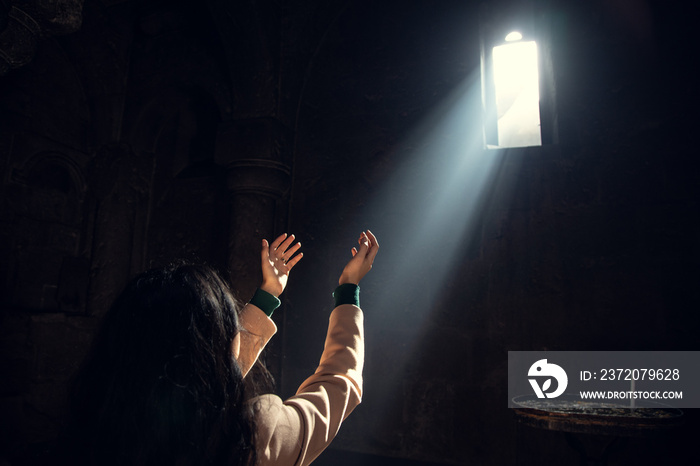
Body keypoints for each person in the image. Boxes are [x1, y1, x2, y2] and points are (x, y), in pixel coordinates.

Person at [66, 230, 379, 466]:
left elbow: (202, 372)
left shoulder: (95, 424)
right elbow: (339, 385)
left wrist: (269, 294)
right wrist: (348, 290)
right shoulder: (252, 437)